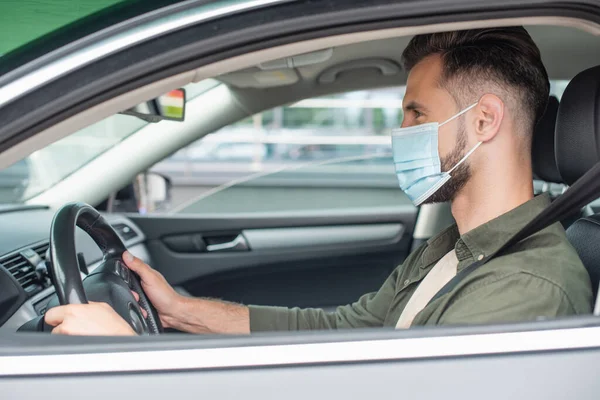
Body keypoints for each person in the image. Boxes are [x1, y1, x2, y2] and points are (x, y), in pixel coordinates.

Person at [45, 26, 592, 336]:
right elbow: (345, 327)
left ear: (484, 120)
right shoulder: (460, 245)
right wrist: (178, 311)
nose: (399, 135)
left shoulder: (525, 287)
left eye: (416, 115)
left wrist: (133, 361)